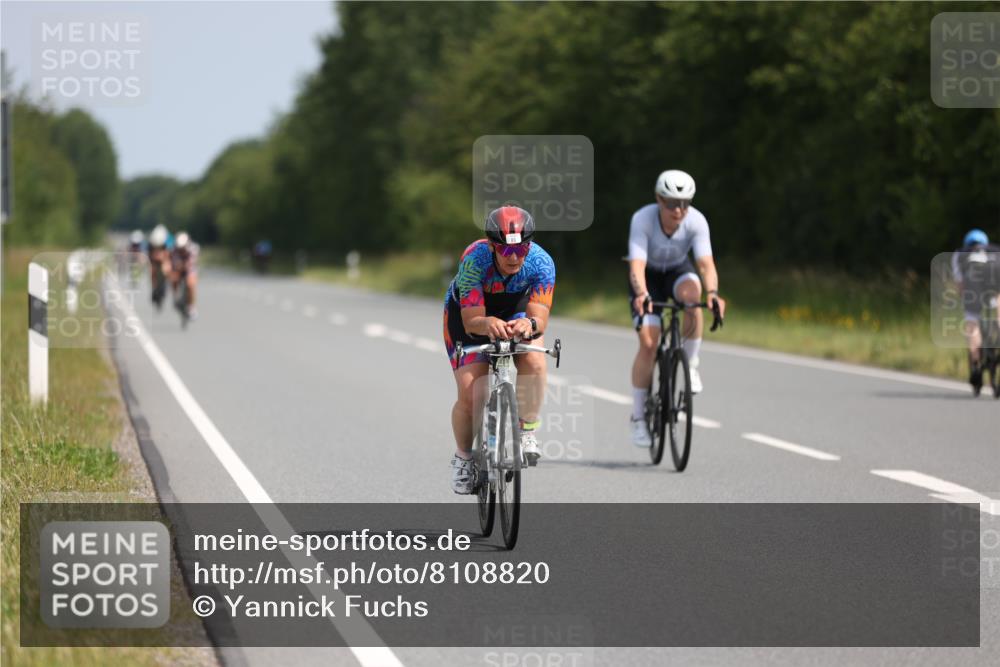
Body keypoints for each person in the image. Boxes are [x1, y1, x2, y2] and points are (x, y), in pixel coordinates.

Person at [443, 205, 556, 494]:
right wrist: (487, 323)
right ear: (493, 245)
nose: (514, 257)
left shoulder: (542, 263)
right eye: (506, 250)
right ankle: (463, 457)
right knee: (472, 393)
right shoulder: (475, 259)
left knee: (535, 361)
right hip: (470, 315)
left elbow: (540, 317)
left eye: (521, 249)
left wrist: (530, 324)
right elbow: (471, 321)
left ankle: (527, 429)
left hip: (515, 309)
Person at [626, 169, 726, 447]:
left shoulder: (696, 221)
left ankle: (690, 363)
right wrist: (642, 293)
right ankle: (638, 417)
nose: (679, 210)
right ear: (659, 199)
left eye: (685, 203)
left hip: (677, 270)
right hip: (647, 277)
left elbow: (705, 264)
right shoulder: (643, 219)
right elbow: (636, 265)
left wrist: (713, 294)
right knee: (649, 344)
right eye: (671, 203)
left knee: (694, 298)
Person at [951, 229, 1000, 389]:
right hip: (994, 280)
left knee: (972, 324)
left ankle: (976, 366)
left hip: (974, 286)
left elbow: (960, 284)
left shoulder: (960, 254)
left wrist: (965, 301)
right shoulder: (995, 250)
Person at [170, 231, 200, 320]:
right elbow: (174, 262)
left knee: (191, 284)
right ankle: (176, 296)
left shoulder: (193, 248)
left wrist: (184, 266)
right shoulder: (174, 249)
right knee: (173, 278)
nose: (181, 250)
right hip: (178, 269)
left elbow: (192, 262)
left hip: (190, 270)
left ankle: (191, 307)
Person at [147, 224, 172, 310]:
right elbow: (149, 256)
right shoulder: (151, 243)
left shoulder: (168, 242)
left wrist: (165, 262)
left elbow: (168, 255)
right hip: (154, 261)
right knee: (152, 271)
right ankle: (154, 288)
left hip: (163, 260)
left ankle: (164, 287)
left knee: (166, 269)